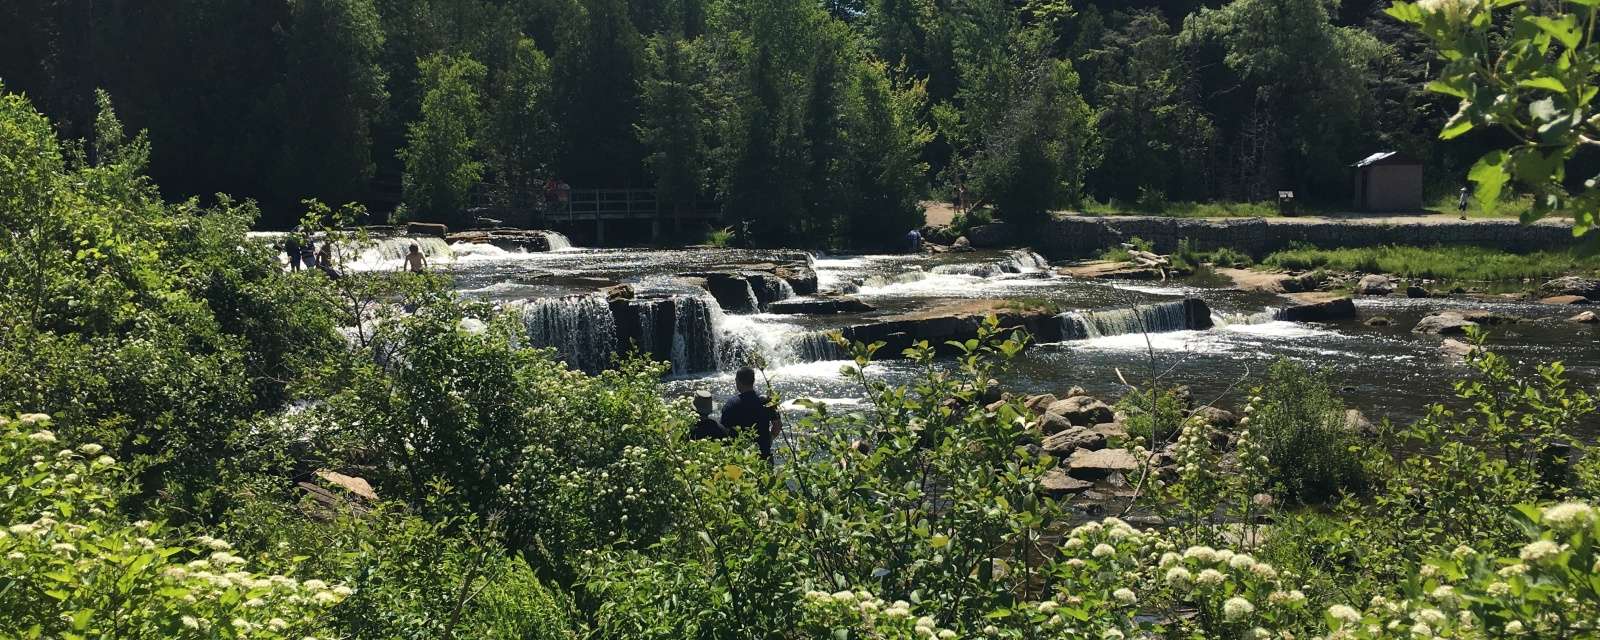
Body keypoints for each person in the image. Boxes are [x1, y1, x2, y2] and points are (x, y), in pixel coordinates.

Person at [720, 367, 782, 460]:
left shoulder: (731, 405)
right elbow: (777, 425)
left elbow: (723, 432)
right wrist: (769, 439)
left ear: (738, 381)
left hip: (740, 458)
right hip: (763, 455)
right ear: (753, 380)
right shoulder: (767, 402)